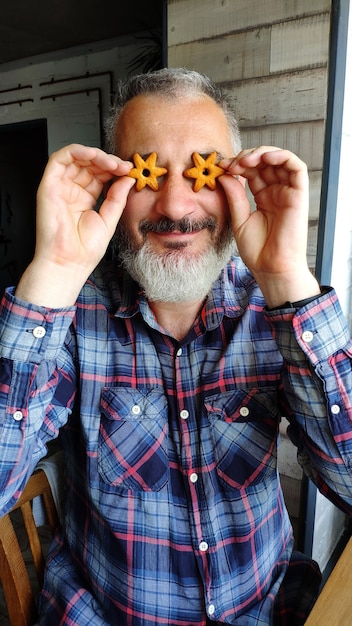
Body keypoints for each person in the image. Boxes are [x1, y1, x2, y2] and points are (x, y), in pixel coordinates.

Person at [0, 67, 352, 626]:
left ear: (238, 181)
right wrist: (53, 273)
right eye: (148, 174)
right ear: (114, 184)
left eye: (202, 172)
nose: (175, 204)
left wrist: (287, 279)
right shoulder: (67, 317)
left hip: (264, 608)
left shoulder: (273, 312)